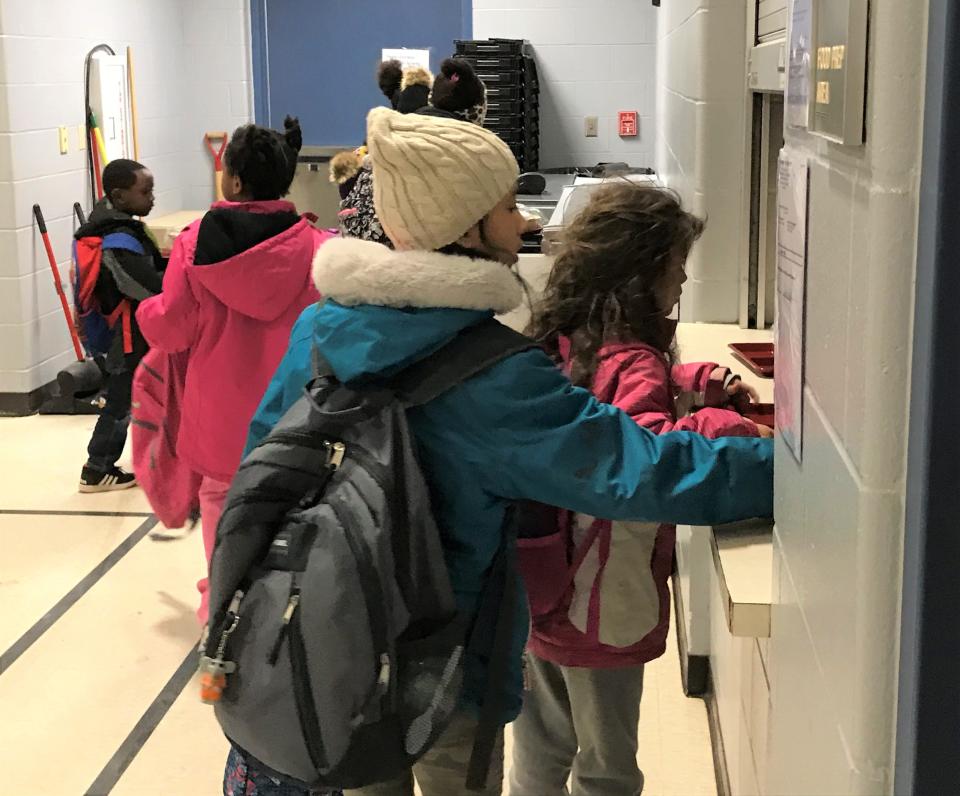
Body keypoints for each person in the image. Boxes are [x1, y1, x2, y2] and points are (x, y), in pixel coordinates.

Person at [239, 108, 773, 796]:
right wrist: (780, 467)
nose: (522, 222)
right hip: (443, 661)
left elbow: (262, 464)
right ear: (462, 226)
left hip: (332, 639)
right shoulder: (490, 373)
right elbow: (635, 468)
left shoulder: (320, 330)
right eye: (502, 206)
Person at [509, 182, 771, 796]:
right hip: (600, 595)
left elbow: (607, 405)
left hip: (540, 581)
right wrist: (723, 423)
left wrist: (692, 382)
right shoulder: (635, 360)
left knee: (541, 750)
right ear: (642, 271)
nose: (681, 279)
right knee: (606, 768)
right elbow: (648, 455)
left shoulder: (565, 337)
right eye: (676, 265)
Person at [136, 117, 333, 625]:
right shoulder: (318, 248)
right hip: (296, 413)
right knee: (293, 508)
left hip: (220, 417)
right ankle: (287, 615)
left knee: (224, 512)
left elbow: (173, 329)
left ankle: (223, 608)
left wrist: (145, 312)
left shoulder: (192, 243)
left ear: (236, 181)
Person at [77, 159, 164, 492]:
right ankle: (96, 468)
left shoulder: (118, 225)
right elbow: (144, 285)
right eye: (145, 191)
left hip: (133, 332)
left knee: (132, 398)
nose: (152, 198)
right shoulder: (116, 238)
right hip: (124, 338)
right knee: (120, 402)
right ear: (120, 195)